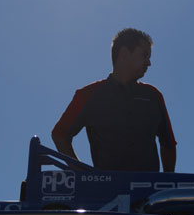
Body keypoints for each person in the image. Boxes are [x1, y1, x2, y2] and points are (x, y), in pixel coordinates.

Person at [51, 28, 177, 172]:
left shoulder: (154, 96)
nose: (149, 63)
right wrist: (82, 174)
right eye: (145, 55)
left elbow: (169, 144)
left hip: (148, 192)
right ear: (124, 53)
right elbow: (59, 134)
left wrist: (166, 182)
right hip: (106, 192)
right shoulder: (87, 95)